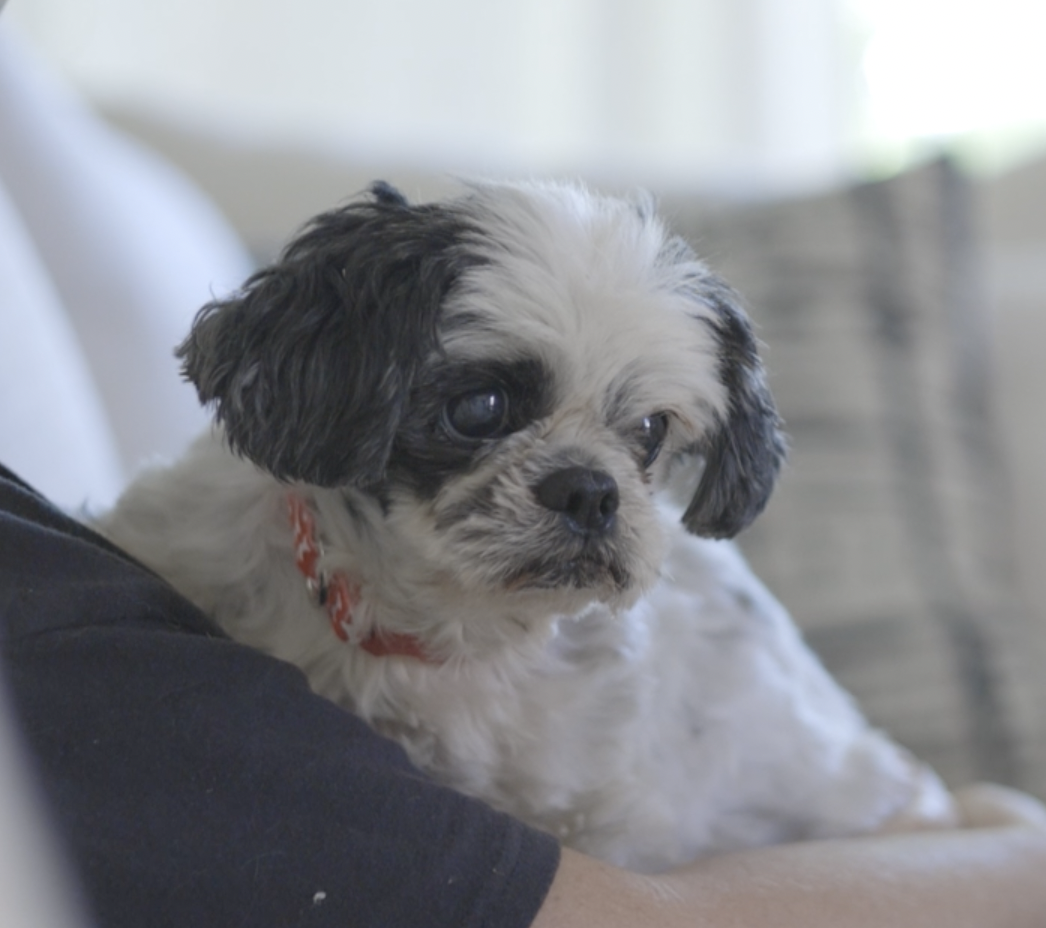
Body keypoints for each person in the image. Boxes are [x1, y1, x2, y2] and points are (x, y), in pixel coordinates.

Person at [3, 465, 1046, 928]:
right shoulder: (83, 665)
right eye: (481, 412)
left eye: (644, 437)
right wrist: (1010, 848)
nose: (596, 486)